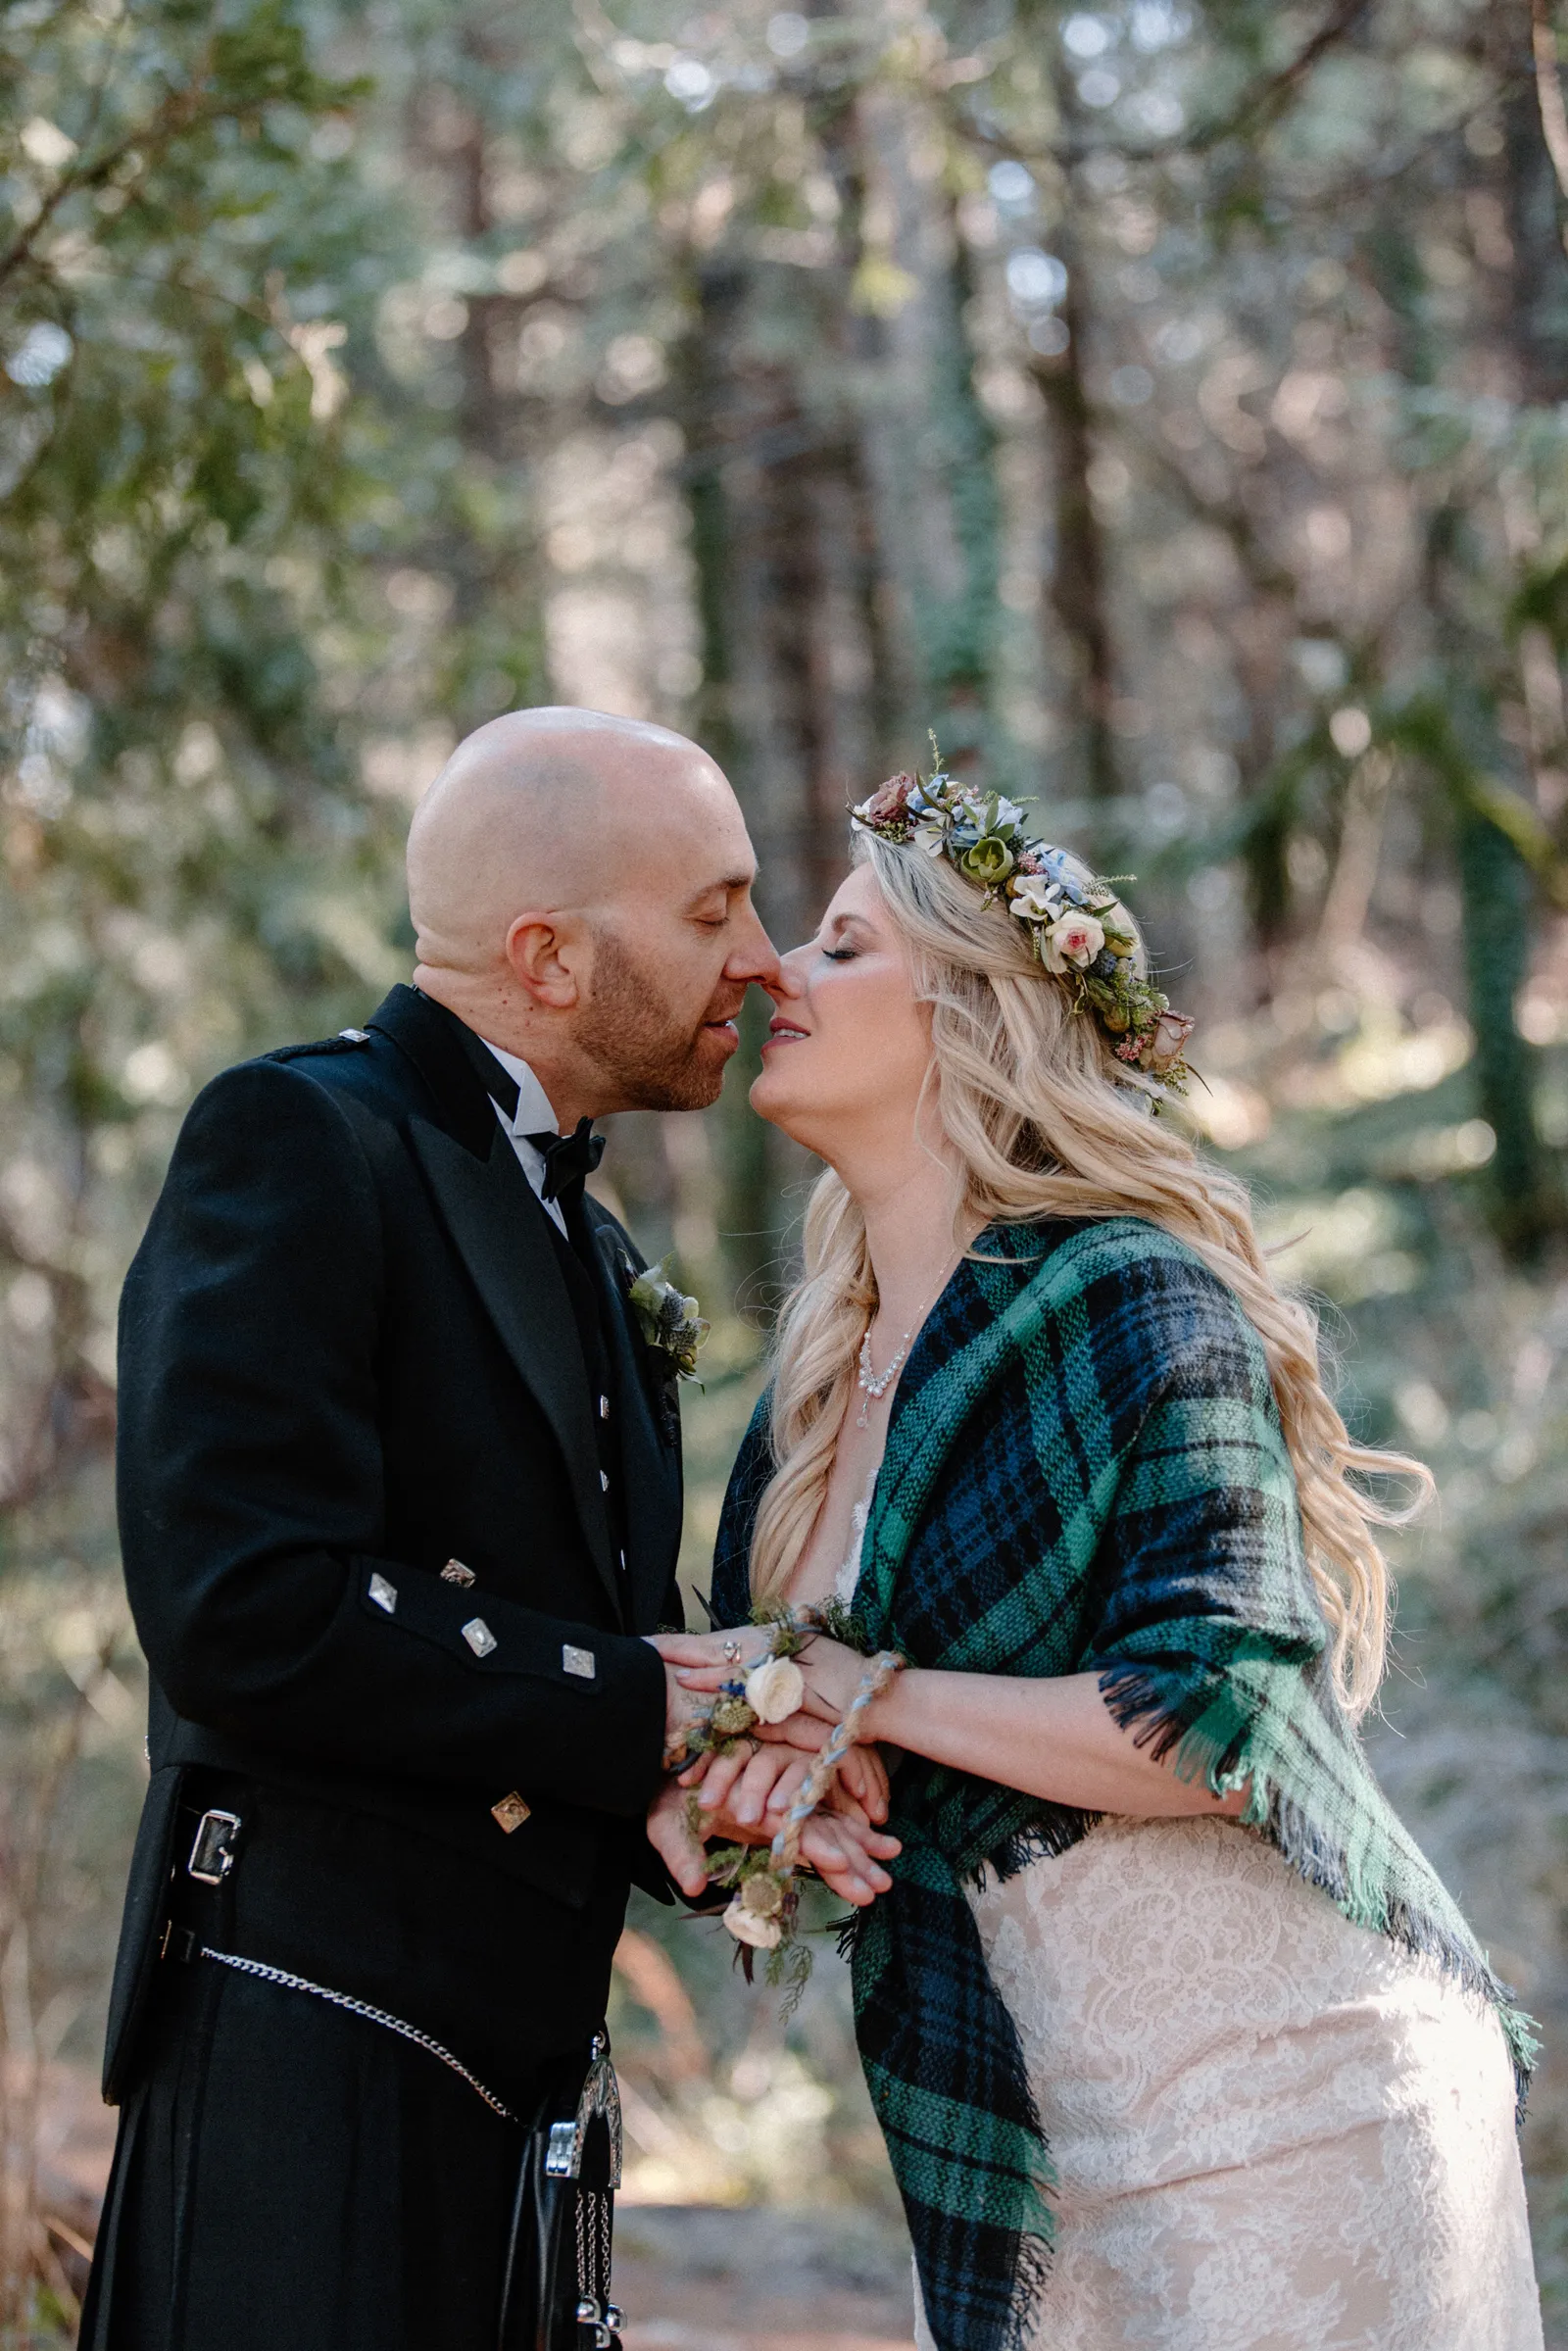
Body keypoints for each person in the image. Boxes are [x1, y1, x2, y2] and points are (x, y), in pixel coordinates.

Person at [656, 761, 1543, 2351]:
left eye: (847, 945)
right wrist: (768, 1787)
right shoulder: (812, 1395)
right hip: (1035, 2141)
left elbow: (1212, 1716)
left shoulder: (1134, 1299)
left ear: (971, 1009)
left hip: (1296, 2100)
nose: (781, 967)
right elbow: (801, 1734)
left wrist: (866, 1695)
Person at [80, 706, 898, 2351]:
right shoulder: (299, 1137)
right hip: (302, 2083)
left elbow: (558, 1654)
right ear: (548, 956)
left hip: (500, 2099)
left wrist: (694, 1787)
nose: (757, 959)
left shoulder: (591, 1245)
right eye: (712, 909)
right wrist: (643, 1710)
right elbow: (245, 1605)